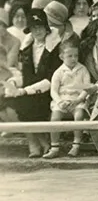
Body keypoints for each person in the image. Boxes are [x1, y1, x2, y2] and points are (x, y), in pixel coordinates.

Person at [0, 9, 61, 158]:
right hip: (28, 91)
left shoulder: (54, 48)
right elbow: (25, 75)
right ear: (30, 30)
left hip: (48, 92)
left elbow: (51, 79)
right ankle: (35, 139)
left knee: (24, 103)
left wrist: (25, 91)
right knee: (3, 102)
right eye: (34, 27)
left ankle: (36, 142)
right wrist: (13, 83)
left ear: (46, 28)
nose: (38, 30)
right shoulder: (27, 48)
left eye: (40, 27)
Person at [42, 38, 90, 159]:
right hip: (62, 100)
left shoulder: (82, 70)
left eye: (76, 55)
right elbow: (53, 90)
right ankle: (54, 147)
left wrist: (78, 100)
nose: (73, 59)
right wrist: (60, 102)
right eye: (69, 56)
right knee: (55, 118)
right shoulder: (58, 72)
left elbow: (86, 88)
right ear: (61, 57)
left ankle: (76, 144)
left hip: (77, 100)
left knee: (79, 115)